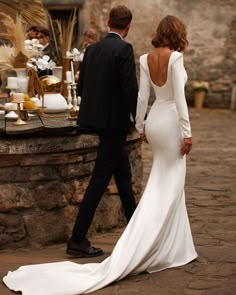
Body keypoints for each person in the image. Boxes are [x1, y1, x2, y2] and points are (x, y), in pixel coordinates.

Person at [2, 14, 197, 295]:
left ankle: (147, 234)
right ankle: (88, 239)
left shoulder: (100, 50)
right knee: (152, 183)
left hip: (137, 123)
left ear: (109, 23)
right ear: (127, 25)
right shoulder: (152, 55)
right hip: (143, 125)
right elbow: (151, 95)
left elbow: (87, 87)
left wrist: (141, 123)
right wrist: (180, 130)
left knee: (130, 178)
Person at [67, 5, 138, 258]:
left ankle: (136, 231)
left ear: (108, 22)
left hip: (96, 121)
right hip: (114, 125)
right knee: (99, 181)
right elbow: (130, 90)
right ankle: (77, 239)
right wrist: (140, 120)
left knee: (123, 176)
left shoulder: (93, 49)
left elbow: (82, 86)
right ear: (128, 27)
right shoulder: (124, 49)